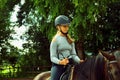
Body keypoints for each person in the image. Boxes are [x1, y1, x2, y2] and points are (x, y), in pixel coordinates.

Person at [50, 15, 84, 80]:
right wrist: (61, 62)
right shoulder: (55, 40)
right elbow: (52, 57)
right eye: (64, 26)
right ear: (58, 27)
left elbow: (73, 55)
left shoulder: (70, 40)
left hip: (71, 63)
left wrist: (79, 61)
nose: (67, 28)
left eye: (68, 26)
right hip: (58, 66)